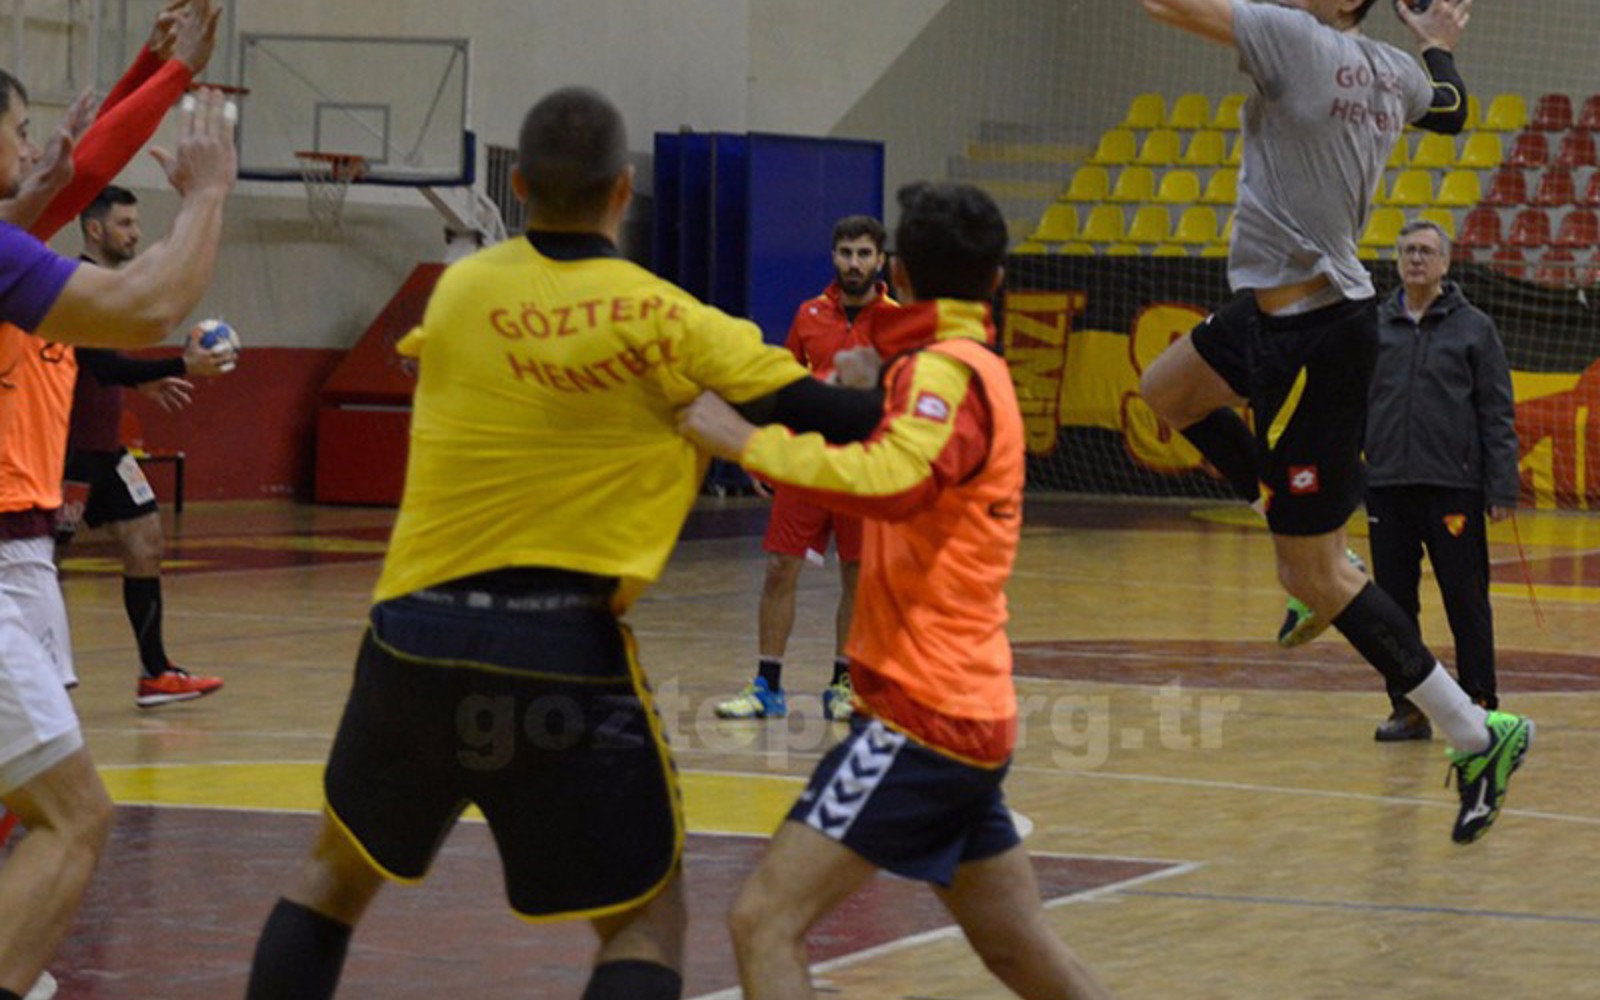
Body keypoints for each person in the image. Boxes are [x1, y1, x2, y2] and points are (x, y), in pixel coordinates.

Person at [244, 86, 882, 1000]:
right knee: (644, 920)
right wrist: (865, 385)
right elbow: (834, 417)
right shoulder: (668, 318)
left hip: (413, 634)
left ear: (520, 187)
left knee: (331, 878)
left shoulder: (461, 291)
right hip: (561, 647)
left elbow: (434, 353)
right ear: (623, 190)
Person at [681, 181, 1113, 1000]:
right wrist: (873, 389)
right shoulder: (963, 368)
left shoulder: (946, 375)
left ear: (898, 271)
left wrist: (745, 442)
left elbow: (893, 478)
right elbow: (908, 446)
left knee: (761, 922)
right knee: (1024, 957)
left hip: (925, 718)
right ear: (996, 280)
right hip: (963, 709)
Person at [1134, 0, 1531, 844]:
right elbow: (1451, 111)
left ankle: (1475, 732)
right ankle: (1296, 523)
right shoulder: (1390, 68)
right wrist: (1437, 47)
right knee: (1167, 389)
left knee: (1308, 575)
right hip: (1274, 313)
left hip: (1313, 336)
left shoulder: (1296, 38)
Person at [0, 57, 236, 1000]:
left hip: (24, 545)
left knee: (36, 778)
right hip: (7, 545)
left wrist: (162, 64)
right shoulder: (21, 259)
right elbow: (150, 300)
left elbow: (80, 170)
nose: (36, 146)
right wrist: (207, 193)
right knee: (70, 813)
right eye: (20, 129)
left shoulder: (20, 242)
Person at [54, 186, 234, 708]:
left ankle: (155, 672)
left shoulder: (109, 288)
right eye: (125, 224)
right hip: (67, 453)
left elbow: (101, 368)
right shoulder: (77, 284)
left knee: (146, 541)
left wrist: (141, 382)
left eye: (136, 224)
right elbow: (102, 365)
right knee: (41, 564)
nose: (135, 234)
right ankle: (38, 676)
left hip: (105, 450)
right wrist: (181, 364)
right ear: (95, 229)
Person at [716, 215, 898, 722]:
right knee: (779, 568)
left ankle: (843, 683)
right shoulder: (808, 314)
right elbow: (783, 390)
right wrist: (764, 451)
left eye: (864, 254)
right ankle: (766, 686)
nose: (854, 263)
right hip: (805, 466)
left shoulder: (899, 323)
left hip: (862, 470)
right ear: (834, 256)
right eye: (846, 252)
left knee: (856, 575)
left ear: (880, 260)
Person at [1362, 219, 1517, 741]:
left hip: (1454, 487)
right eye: (1408, 250)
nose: (1416, 259)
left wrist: (1502, 486)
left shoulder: (1475, 328)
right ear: (1397, 260)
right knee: (1393, 607)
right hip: (1387, 485)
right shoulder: (1374, 326)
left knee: (1465, 599)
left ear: (1446, 263)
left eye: (1426, 251)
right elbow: (1353, 404)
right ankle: (1407, 708)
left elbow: (1496, 411)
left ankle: (1480, 704)